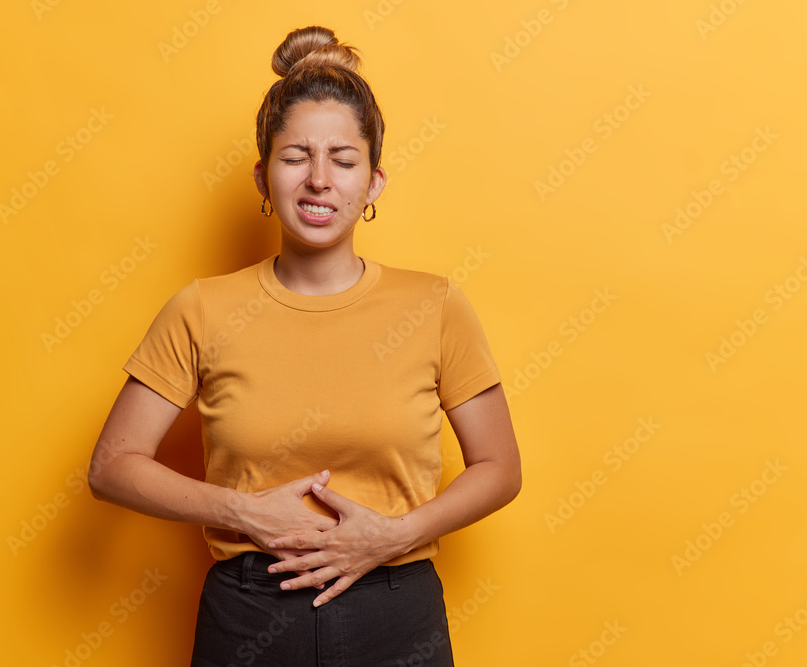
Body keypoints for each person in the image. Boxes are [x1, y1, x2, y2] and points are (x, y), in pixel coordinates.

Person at [87, 25, 521, 667]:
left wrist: (393, 535)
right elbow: (112, 467)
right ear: (263, 178)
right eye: (296, 158)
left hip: (396, 611)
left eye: (343, 161)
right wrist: (243, 511)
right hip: (248, 612)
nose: (319, 180)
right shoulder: (202, 309)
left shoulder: (434, 306)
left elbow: (500, 468)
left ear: (373, 182)